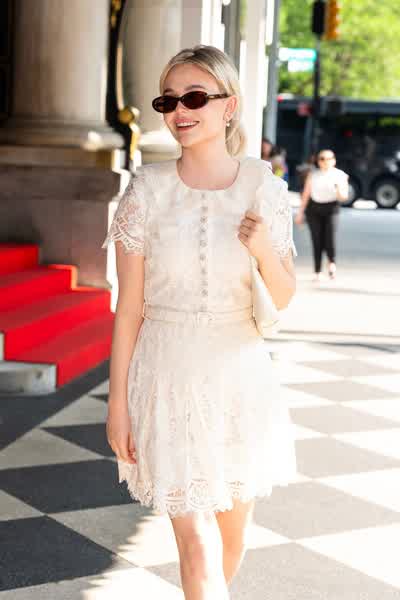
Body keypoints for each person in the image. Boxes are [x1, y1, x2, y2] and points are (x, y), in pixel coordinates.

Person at [101, 44, 297, 600]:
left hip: (241, 380)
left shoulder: (262, 184)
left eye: (194, 97)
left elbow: (284, 296)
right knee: (197, 544)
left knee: (232, 539)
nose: (179, 111)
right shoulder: (146, 190)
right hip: (165, 375)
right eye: (168, 101)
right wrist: (118, 403)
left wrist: (263, 249)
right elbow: (129, 308)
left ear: (229, 105)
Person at [295, 149, 349, 282]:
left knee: (330, 237)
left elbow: (344, 197)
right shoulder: (313, 175)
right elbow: (306, 194)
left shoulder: (340, 175)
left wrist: (338, 190)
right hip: (314, 209)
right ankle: (317, 270)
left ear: (334, 160)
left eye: (328, 158)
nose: (325, 161)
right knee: (316, 239)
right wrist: (300, 213)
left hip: (331, 209)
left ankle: (332, 263)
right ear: (318, 161)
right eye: (322, 159)